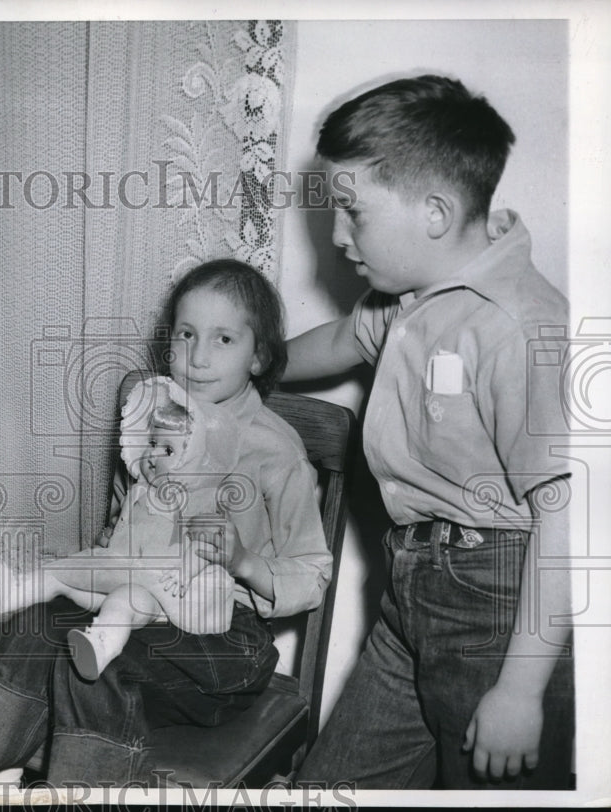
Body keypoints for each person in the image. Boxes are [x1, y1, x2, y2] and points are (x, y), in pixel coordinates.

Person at [286, 75, 574, 789]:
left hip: (498, 610)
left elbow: (573, 520)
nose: (338, 236)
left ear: (436, 212)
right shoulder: (412, 301)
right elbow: (340, 340)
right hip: (410, 593)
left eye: (351, 211)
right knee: (332, 787)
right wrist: (244, 372)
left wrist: (519, 692)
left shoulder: (518, 324)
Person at [0, 258, 332, 789]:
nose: (197, 358)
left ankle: (81, 791)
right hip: (139, 607)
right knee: (34, 626)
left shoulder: (275, 449)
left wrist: (243, 560)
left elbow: (311, 574)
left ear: (259, 355)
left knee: (97, 662)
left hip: (223, 636)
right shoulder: (151, 421)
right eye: (186, 334)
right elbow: (124, 534)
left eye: (223, 340)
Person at [0, 373, 241, 680]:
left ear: (198, 462)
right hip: (129, 583)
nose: (153, 456)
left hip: (159, 591)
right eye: (153, 444)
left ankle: (22, 588)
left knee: (79, 569)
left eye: (168, 451)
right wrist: (115, 536)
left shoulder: (196, 502)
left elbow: (208, 545)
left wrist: (185, 570)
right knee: (93, 593)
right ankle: (101, 643)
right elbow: (123, 533)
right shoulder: (140, 492)